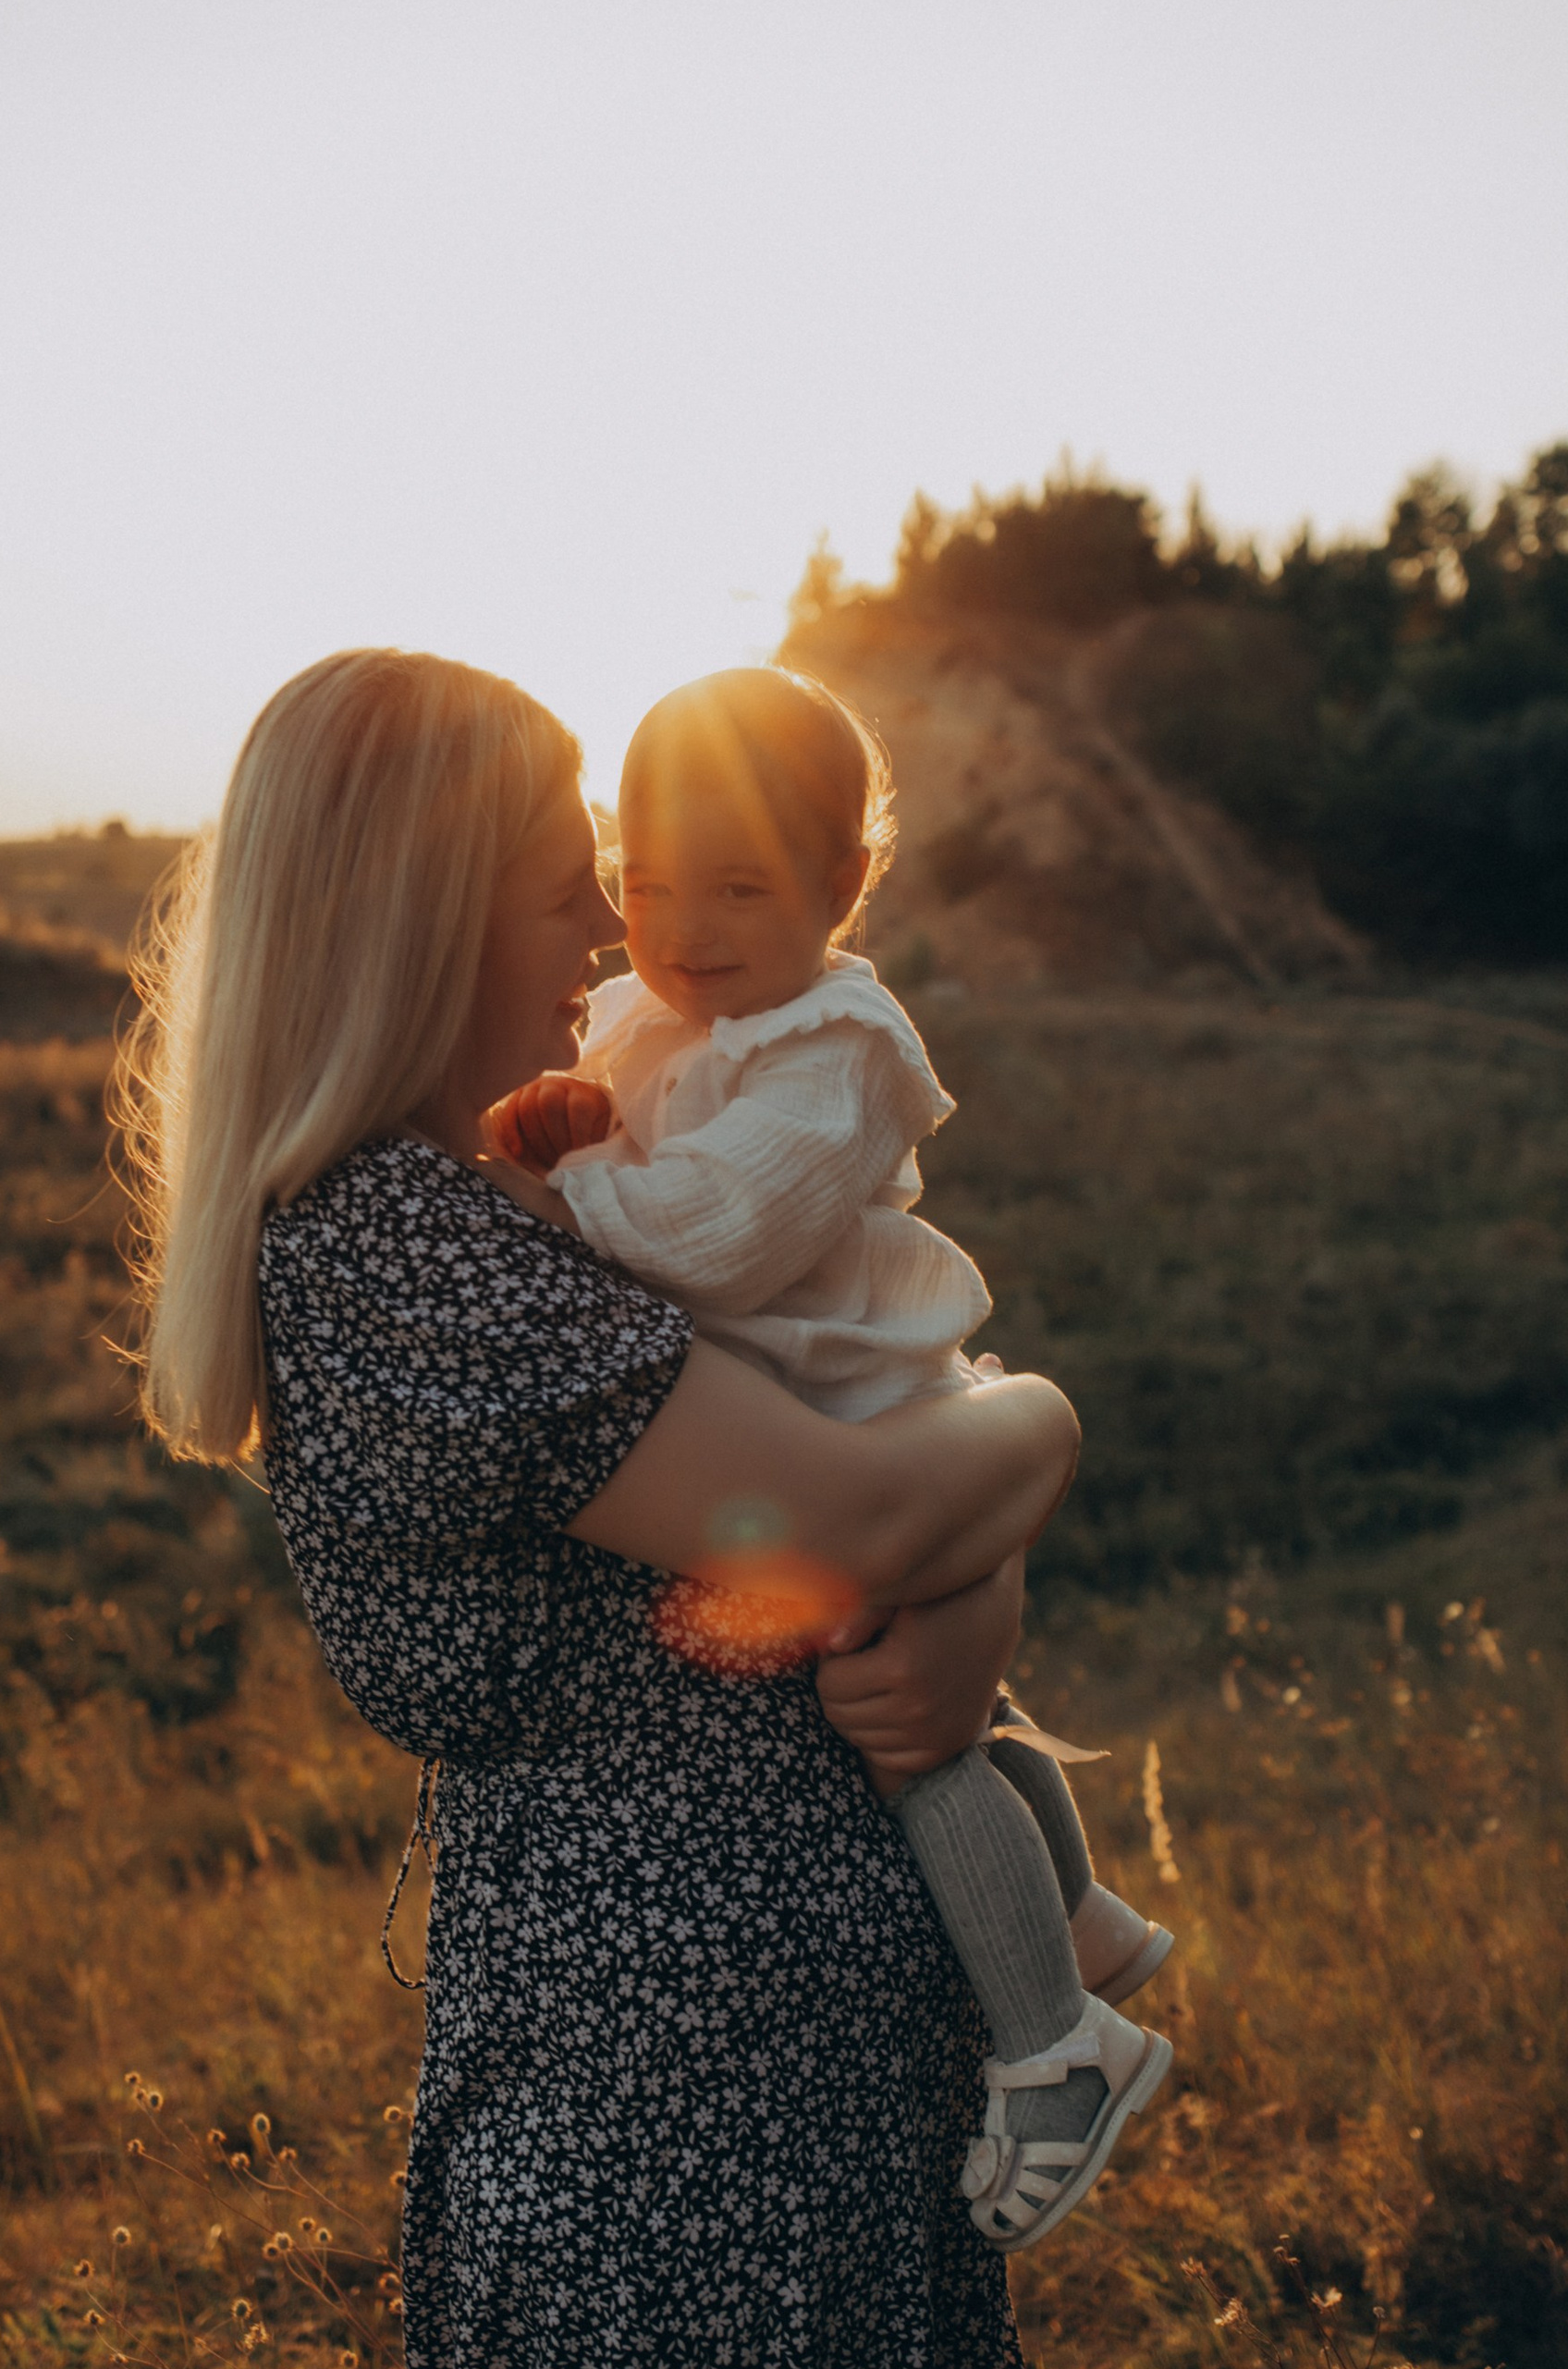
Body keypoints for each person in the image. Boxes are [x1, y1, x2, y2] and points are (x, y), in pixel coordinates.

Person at [118, 647, 1106, 2369]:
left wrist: (970, 1595)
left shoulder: (492, 1202)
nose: (602, 922)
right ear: (411, 911)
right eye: (561, 869)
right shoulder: (393, 1245)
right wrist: (1035, 1442)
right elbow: (854, 1522)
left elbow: (832, 1538)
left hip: (768, 2112)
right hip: (671, 2150)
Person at [484, 666, 1172, 2252]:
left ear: (845, 885)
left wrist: (565, 1193)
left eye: (741, 888)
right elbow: (588, 1119)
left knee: (907, 1727)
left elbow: (718, 1238)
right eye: (647, 887)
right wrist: (560, 1119)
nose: (686, 927)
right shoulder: (646, 1011)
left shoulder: (838, 1043)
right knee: (958, 1705)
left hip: (860, 1410)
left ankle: (1057, 2046)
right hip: (792, 1420)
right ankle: (1066, 1919)